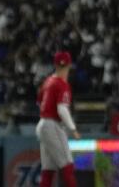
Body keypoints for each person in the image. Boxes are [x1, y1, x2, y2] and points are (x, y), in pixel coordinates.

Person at [36, 51, 79, 187]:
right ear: (69, 66)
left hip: (42, 124)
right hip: (52, 125)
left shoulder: (48, 82)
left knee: (48, 170)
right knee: (67, 165)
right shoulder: (62, 84)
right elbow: (62, 110)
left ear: (55, 65)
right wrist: (73, 128)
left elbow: (39, 102)